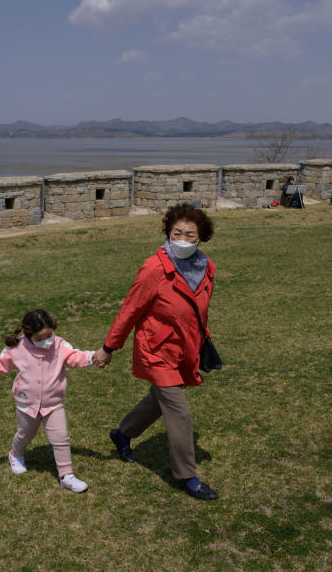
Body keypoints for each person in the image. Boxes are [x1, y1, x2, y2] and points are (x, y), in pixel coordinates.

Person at [93, 203, 219, 500]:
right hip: (156, 349)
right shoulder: (154, 268)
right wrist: (109, 347)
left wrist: (203, 342)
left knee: (158, 399)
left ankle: (122, 434)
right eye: (177, 233)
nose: (183, 239)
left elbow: (199, 311)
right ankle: (188, 476)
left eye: (190, 234)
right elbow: (130, 310)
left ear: (201, 237)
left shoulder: (207, 268)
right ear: (167, 232)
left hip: (184, 348)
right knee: (179, 411)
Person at [0, 308, 97, 493]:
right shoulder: (17, 348)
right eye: (40, 338)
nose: (47, 341)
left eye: (49, 335)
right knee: (25, 434)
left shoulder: (59, 345)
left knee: (61, 438)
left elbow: (75, 356)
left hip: (53, 404)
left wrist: (92, 358)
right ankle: (15, 455)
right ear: (29, 334)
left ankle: (66, 476)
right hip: (26, 404)